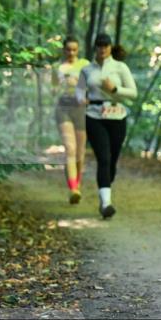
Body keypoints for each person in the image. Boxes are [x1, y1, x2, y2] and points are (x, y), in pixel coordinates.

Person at [77, 33, 137, 219]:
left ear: (110, 47)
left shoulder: (120, 67)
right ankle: (106, 203)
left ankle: (106, 186)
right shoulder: (87, 70)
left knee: (112, 159)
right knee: (103, 157)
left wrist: (115, 89)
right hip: (94, 116)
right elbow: (79, 91)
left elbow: (133, 93)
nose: (102, 49)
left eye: (106, 46)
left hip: (117, 115)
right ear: (95, 48)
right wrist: (82, 99)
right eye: (99, 46)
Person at [52, 37, 89, 204]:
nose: (71, 53)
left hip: (80, 109)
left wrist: (85, 94)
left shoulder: (85, 65)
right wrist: (61, 85)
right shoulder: (58, 68)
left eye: (74, 49)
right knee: (70, 149)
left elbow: (94, 85)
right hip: (63, 108)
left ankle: (77, 185)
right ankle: (73, 189)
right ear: (63, 50)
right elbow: (52, 91)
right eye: (68, 49)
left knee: (80, 152)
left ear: (78, 50)